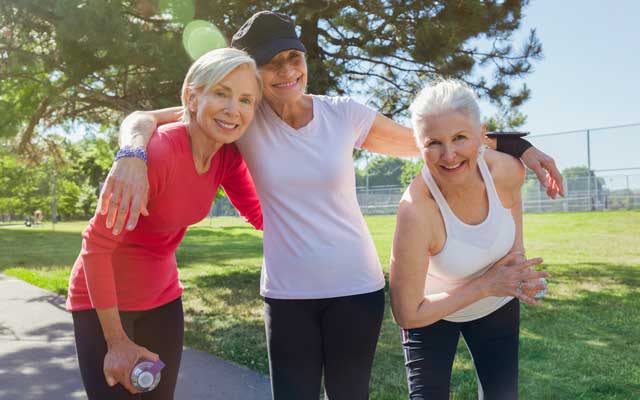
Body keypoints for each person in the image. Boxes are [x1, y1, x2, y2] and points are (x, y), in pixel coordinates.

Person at [98, 11, 563, 399]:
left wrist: (517, 145)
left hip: (355, 291)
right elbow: (146, 118)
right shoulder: (241, 115)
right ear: (253, 74)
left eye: (293, 58)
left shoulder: (344, 114)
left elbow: (426, 141)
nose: (286, 72)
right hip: (286, 296)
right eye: (271, 64)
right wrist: (132, 153)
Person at [65, 48, 263, 400]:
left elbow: (261, 216)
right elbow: (95, 249)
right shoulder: (158, 154)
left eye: (246, 99)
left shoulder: (227, 157)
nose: (234, 109)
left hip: (163, 300)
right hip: (104, 305)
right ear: (192, 95)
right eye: (221, 93)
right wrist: (117, 342)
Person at [389, 79, 549, 399]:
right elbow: (406, 313)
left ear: (481, 136)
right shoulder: (416, 211)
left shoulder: (506, 172)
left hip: (497, 306)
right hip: (431, 313)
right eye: (433, 142)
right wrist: (486, 284)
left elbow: (513, 238)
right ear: (418, 145)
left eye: (460, 137)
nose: (449, 155)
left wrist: (518, 274)